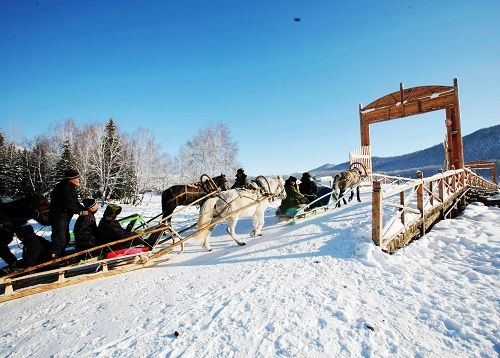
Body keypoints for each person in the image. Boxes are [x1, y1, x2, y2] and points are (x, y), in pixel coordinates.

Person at [49, 168, 86, 258]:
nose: (78, 180)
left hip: (63, 216)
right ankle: (53, 259)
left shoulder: (68, 186)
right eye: (77, 178)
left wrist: (83, 209)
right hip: (59, 216)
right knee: (59, 239)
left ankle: (60, 255)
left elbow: (74, 202)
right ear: (72, 179)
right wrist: (80, 212)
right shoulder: (65, 187)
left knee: (65, 238)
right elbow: (68, 202)